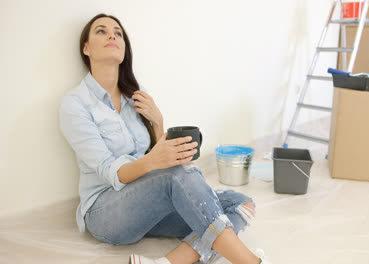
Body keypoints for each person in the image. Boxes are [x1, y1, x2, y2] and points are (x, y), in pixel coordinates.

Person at [59, 13, 272, 264]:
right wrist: (154, 162)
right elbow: (112, 171)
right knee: (181, 177)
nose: (112, 35)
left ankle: (169, 262)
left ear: (125, 48)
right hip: (106, 212)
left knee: (240, 203)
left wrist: (158, 123)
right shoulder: (75, 104)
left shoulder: (137, 97)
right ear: (86, 48)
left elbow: (158, 157)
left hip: (147, 207)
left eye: (118, 32)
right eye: (101, 31)